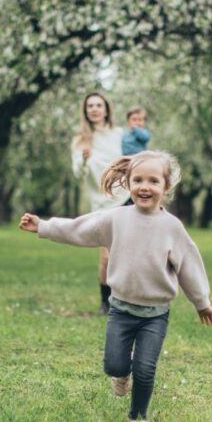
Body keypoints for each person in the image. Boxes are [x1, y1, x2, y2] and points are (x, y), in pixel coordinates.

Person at [19, 150, 212, 422]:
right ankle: (121, 373)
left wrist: (201, 301)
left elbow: (190, 267)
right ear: (128, 183)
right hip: (120, 310)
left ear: (166, 186)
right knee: (114, 365)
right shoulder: (116, 219)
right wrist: (44, 226)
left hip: (155, 315)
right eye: (138, 180)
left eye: (153, 181)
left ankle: (137, 417)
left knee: (145, 370)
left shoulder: (172, 227)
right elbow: (78, 228)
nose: (144, 187)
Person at [71, 92, 126, 314]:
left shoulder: (119, 134)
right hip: (102, 203)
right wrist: (84, 159)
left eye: (98, 105)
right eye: (90, 106)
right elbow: (78, 173)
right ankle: (106, 302)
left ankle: (126, 300)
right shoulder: (80, 140)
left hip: (127, 197)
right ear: (85, 111)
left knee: (127, 253)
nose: (94, 109)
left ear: (106, 109)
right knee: (107, 255)